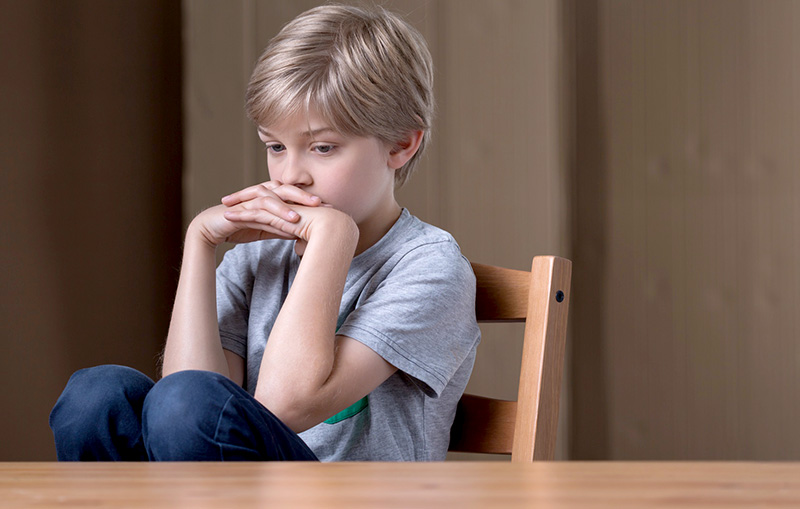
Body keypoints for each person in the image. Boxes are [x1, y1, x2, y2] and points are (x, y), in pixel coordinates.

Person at [49, 4, 480, 462]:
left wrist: (332, 240)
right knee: (94, 395)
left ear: (400, 145)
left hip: (348, 497)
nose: (291, 175)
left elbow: (285, 405)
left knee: (183, 402)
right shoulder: (259, 258)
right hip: (241, 487)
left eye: (323, 148)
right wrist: (200, 242)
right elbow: (186, 394)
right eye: (275, 146)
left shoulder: (430, 267)